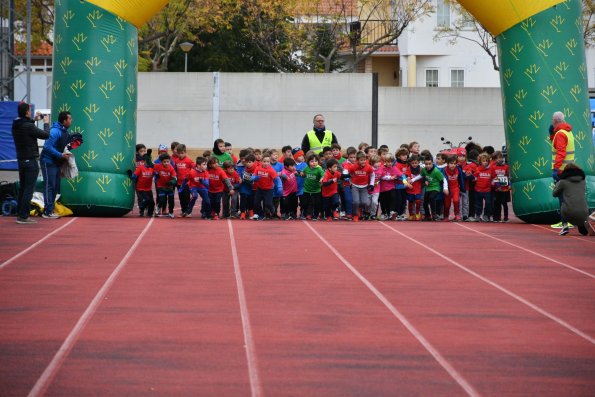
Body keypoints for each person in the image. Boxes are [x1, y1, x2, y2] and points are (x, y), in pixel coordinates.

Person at [11, 102, 50, 224]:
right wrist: (46, 122)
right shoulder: (28, 126)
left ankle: (20, 214)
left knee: (23, 188)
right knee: (29, 189)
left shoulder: (16, 124)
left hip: (21, 159)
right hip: (31, 160)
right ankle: (24, 216)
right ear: (27, 112)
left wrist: (34, 120)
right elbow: (45, 135)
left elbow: (26, 127)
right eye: (29, 110)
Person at [39, 111, 73, 219]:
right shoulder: (54, 131)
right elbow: (47, 147)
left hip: (56, 163)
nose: (71, 120)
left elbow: (62, 146)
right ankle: (47, 212)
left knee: (55, 187)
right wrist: (60, 155)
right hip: (47, 161)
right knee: (49, 186)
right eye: (70, 119)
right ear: (64, 121)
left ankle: (51, 210)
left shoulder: (64, 131)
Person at [552, 163, 594, 236]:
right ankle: (583, 223)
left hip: (568, 213)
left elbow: (554, 194)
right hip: (584, 212)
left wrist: (557, 184)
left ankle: (565, 225)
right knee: (579, 202)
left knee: (563, 203)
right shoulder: (583, 181)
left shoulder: (563, 182)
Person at [550, 111, 575, 231]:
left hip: (561, 171)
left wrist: (556, 168)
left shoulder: (560, 134)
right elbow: (558, 146)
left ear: (555, 121)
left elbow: (560, 152)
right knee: (567, 197)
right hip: (569, 169)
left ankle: (565, 222)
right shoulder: (568, 132)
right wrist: (552, 135)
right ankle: (568, 221)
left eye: (552, 120)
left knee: (561, 197)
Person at [421, 155, 447, 221]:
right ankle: (428, 216)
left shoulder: (436, 171)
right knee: (425, 203)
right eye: (426, 164)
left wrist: (444, 188)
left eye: (429, 164)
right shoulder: (424, 170)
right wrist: (424, 181)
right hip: (428, 188)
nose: (428, 166)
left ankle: (434, 214)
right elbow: (421, 176)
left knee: (432, 197)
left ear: (433, 163)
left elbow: (443, 179)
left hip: (436, 188)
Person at [300, 153, 324, 220]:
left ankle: (315, 215)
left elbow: (323, 174)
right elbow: (303, 172)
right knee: (305, 203)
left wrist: (322, 179)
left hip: (316, 190)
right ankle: (306, 214)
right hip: (306, 189)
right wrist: (302, 174)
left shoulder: (319, 169)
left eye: (316, 161)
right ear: (308, 162)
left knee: (316, 203)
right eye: (312, 161)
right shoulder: (306, 168)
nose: (314, 163)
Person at [153, 153, 177, 218]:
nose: (166, 163)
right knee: (162, 200)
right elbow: (150, 164)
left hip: (169, 188)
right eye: (164, 162)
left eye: (167, 161)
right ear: (161, 162)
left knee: (171, 201)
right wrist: (148, 156)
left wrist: (172, 182)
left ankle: (171, 212)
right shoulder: (158, 166)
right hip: (161, 187)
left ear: (170, 161)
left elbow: (175, 178)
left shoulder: (171, 168)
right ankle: (158, 208)